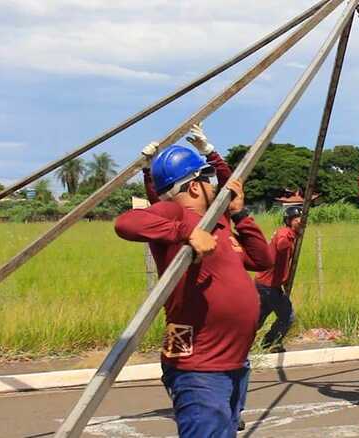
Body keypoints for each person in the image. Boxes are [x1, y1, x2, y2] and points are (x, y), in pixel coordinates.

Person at [115, 145, 272, 437]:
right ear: (195, 186)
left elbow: (263, 260)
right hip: (199, 367)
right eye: (209, 180)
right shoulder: (176, 212)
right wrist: (186, 234)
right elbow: (126, 223)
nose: (216, 187)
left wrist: (241, 215)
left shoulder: (218, 223)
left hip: (233, 362)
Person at [254, 205, 303, 352]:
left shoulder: (290, 234)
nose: (299, 221)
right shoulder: (285, 233)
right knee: (287, 316)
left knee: (258, 317)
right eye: (296, 219)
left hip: (265, 283)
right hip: (268, 285)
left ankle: (240, 342)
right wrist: (287, 242)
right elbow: (281, 244)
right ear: (288, 221)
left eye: (300, 218)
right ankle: (270, 343)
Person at [141, 123, 231, 203]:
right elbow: (230, 187)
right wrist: (210, 153)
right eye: (205, 179)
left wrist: (149, 173)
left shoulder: (168, 219)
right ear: (194, 187)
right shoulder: (216, 216)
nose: (212, 187)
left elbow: (159, 202)